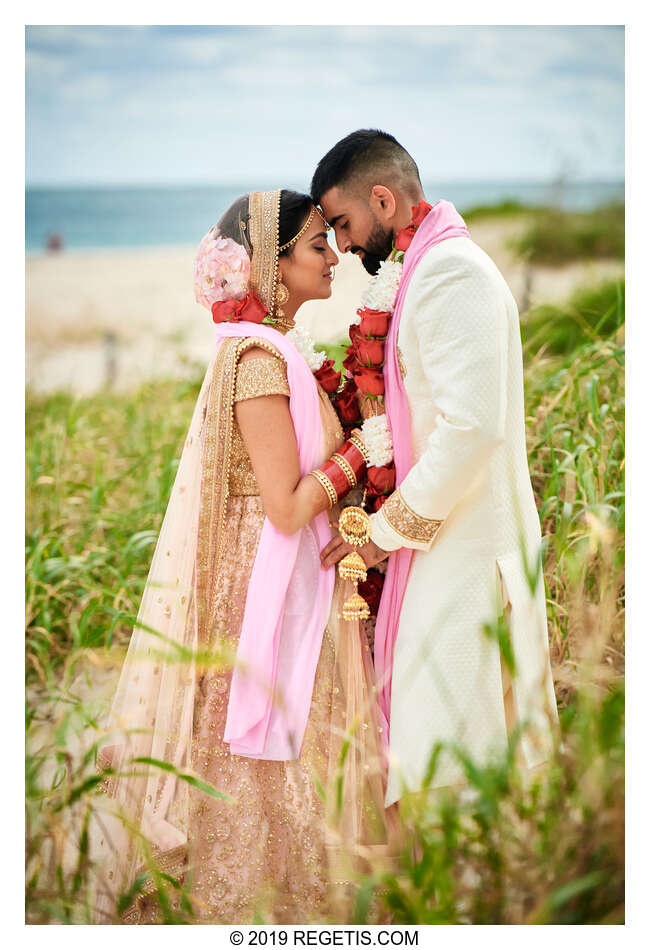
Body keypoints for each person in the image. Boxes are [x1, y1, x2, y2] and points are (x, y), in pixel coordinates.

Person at [92, 190, 393, 924]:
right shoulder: (258, 361)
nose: (333, 258)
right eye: (317, 246)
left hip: (283, 576)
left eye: (330, 242)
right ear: (271, 262)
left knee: (290, 752)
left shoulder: (272, 351)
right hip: (268, 589)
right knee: (270, 758)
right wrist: (358, 456)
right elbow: (287, 506)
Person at [313, 130, 559, 807]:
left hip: (465, 553)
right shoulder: (427, 268)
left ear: (384, 199)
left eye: (343, 223)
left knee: (457, 758)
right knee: (443, 746)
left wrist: (381, 531)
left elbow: (471, 429)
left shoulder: (449, 272)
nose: (341, 245)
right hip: (444, 545)